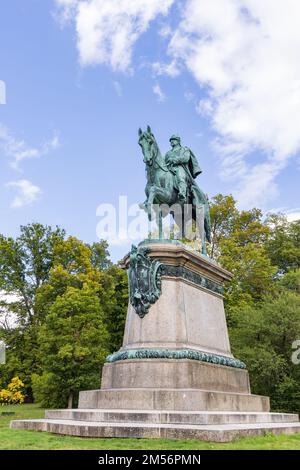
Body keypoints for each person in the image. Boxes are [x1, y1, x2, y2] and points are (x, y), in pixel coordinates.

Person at [165, 135, 202, 202]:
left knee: (180, 176)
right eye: (171, 140)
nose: (171, 141)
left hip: (180, 168)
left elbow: (185, 158)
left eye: (173, 140)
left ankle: (182, 193)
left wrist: (174, 160)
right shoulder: (168, 153)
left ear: (178, 141)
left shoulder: (184, 149)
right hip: (170, 169)